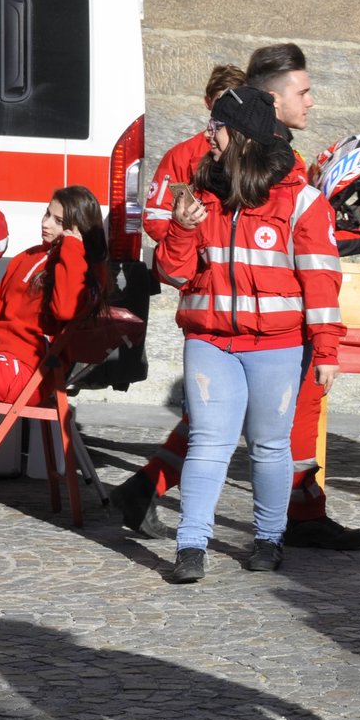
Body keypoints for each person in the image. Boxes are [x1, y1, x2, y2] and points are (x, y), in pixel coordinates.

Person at [111, 44, 360, 552]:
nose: (312, 102)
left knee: (223, 428)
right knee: (263, 429)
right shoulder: (199, 157)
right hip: (229, 322)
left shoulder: (288, 164)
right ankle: (297, 515)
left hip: (260, 325)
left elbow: (304, 243)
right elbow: (168, 239)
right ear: (270, 101)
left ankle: (152, 491)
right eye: (304, 91)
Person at [153, 85, 344, 583]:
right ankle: (190, 546)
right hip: (210, 341)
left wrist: (326, 349)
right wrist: (180, 229)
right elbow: (172, 275)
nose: (207, 136)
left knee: (268, 445)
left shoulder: (303, 203)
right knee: (209, 445)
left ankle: (268, 538)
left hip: (278, 346)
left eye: (215, 127)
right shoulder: (200, 194)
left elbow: (321, 281)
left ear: (239, 136)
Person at [110, 64, 247, 538]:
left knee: (211, 413)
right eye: (221, 99)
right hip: (204, 292)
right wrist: (188, 244)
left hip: (244, 297)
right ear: (208, 103)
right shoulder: (186, 155)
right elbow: (151, 218)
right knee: (216, 414)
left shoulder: (251, 154)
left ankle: (144, 487)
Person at [0, 187, 109, 404]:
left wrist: (72, 248)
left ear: (78, 230)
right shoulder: (28, 256)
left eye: (58, 221)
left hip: (29, 370)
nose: (46, 223)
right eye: (47, 213)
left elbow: (66, 308)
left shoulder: (83, 268)